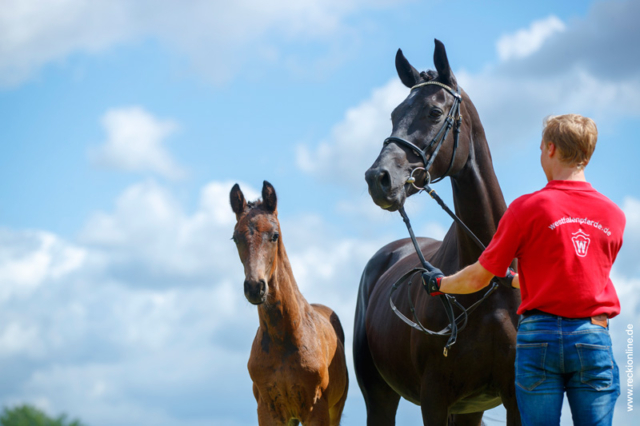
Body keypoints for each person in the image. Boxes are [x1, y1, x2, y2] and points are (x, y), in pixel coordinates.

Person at [422, 114, 625, 426]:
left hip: (539, 337)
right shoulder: (614, 215)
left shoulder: (526, 209)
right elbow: (576, 277)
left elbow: (478, 276)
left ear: (551, 148)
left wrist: (441, 283)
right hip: (593, 335)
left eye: (541, 147)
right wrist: (522, 281)